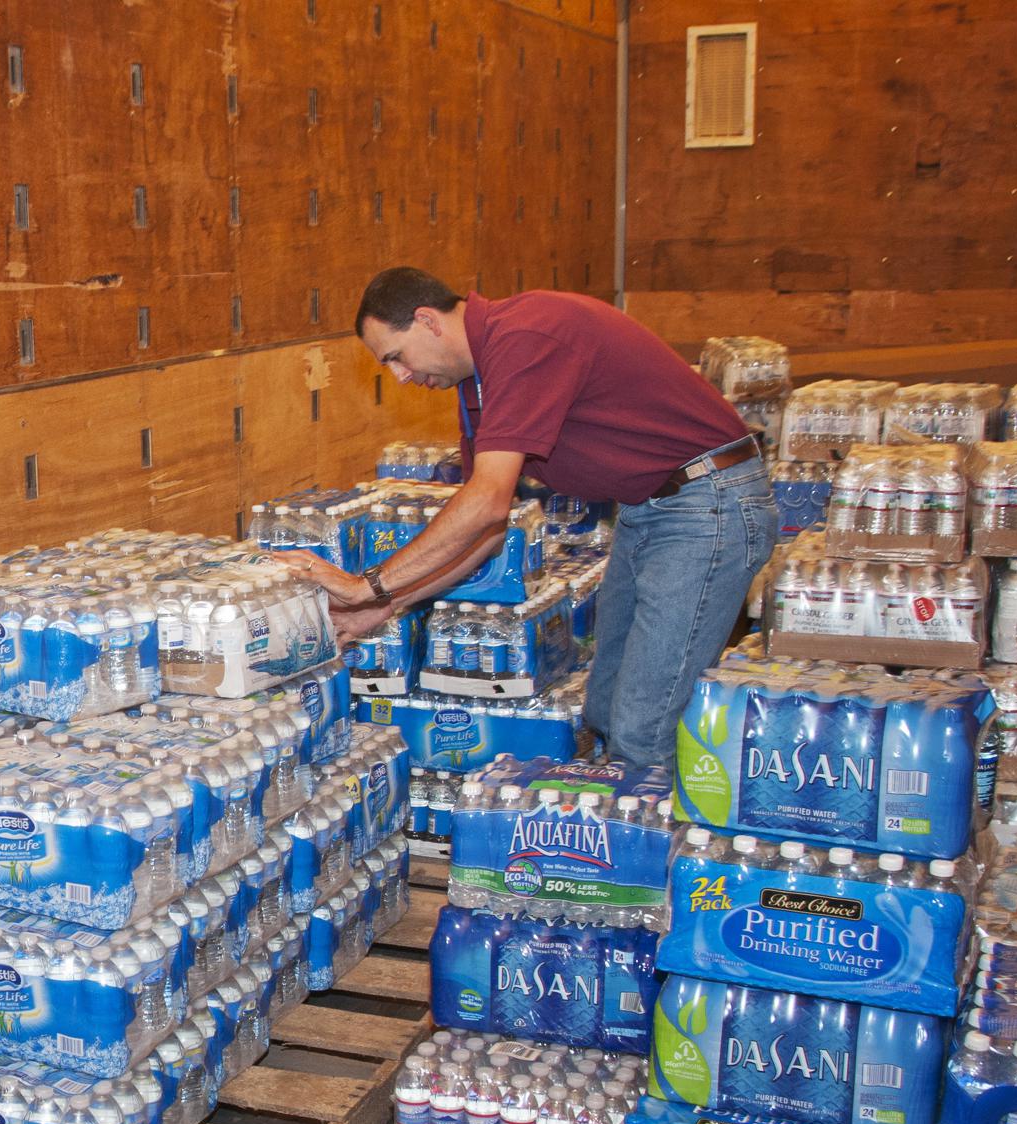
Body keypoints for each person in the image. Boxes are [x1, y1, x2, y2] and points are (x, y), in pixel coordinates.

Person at [282, 266, 777, 768]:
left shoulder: (525, 337)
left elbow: (487, 501)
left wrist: (368, 585)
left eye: (395, 357)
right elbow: (487, 529)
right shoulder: (476, 383)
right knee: (604, 709)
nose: (401, 376)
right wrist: (390, 604)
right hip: (650, 508)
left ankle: (650, 839)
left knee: (644, 727)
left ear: (427, 320)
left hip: (707, 503)